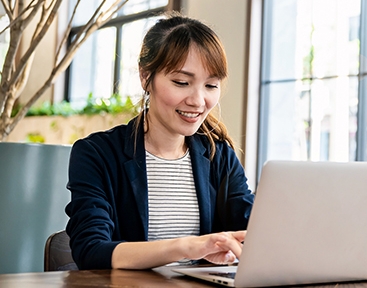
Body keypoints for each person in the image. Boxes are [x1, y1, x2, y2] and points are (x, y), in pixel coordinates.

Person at [65, 12, 254, 270]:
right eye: (181, 82)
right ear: (146, 77)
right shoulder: (97, 154)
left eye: (211, 85)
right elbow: (91, 249)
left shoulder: (218, 155)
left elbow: (254, 230)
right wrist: (188, 246)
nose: (198, 101)